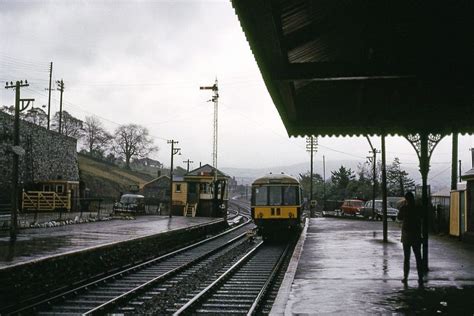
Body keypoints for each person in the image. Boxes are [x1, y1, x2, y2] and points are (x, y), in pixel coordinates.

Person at [397, 191, 423, 286]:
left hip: (406, 236)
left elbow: (399, 218)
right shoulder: (418, 208)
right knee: (418, 257)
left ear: (406, 199)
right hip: (416, 235)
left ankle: (405, 277)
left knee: (406, 258)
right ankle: (420, 277)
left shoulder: (404, 208)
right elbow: (423, 218)